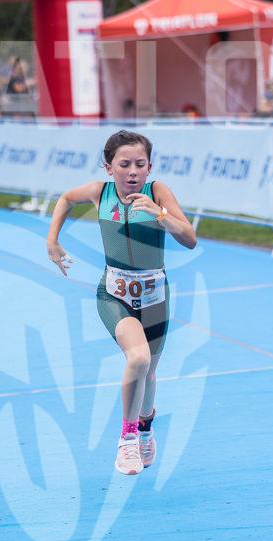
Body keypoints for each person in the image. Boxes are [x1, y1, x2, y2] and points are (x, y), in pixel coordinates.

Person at [46, 130, 197, 476]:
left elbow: (190, 239)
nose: (133, 172)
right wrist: (52, 241)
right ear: (109, 167)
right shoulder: (100, 193)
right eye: (124, 164)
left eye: (140, 164)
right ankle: (127, 438)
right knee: (138, 359)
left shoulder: (158, 192)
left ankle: (145, 428)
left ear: (150, 167)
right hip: (115, 294)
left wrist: (160, 214)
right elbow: (66, 199)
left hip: (155, 296)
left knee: (150, 371)